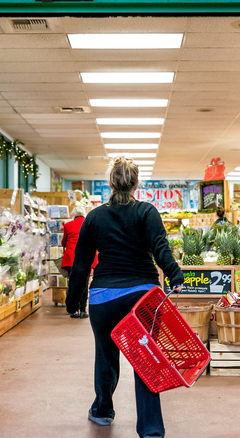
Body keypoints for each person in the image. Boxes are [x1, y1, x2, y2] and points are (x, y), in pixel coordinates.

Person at [66, 156, 184, 438]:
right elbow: (160, 248)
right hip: (143, 298)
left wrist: (73, 301)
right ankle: (151, 430)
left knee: (106, 356)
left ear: (110, 183)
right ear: (136, 184)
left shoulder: (94, 216)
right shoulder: (147, 212)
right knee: (145, 359)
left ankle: (103, 411)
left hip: (104, 298)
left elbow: (81, 264)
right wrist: (175, 275)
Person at [62, 205, 89, 318]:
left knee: (73, 285)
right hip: (85, 258)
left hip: (71, 259)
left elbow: (64, 243)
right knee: (84, 284)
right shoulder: (88, 224)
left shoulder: (68, 225)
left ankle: (73, 310)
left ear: (74, 214)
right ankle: (83, 310)